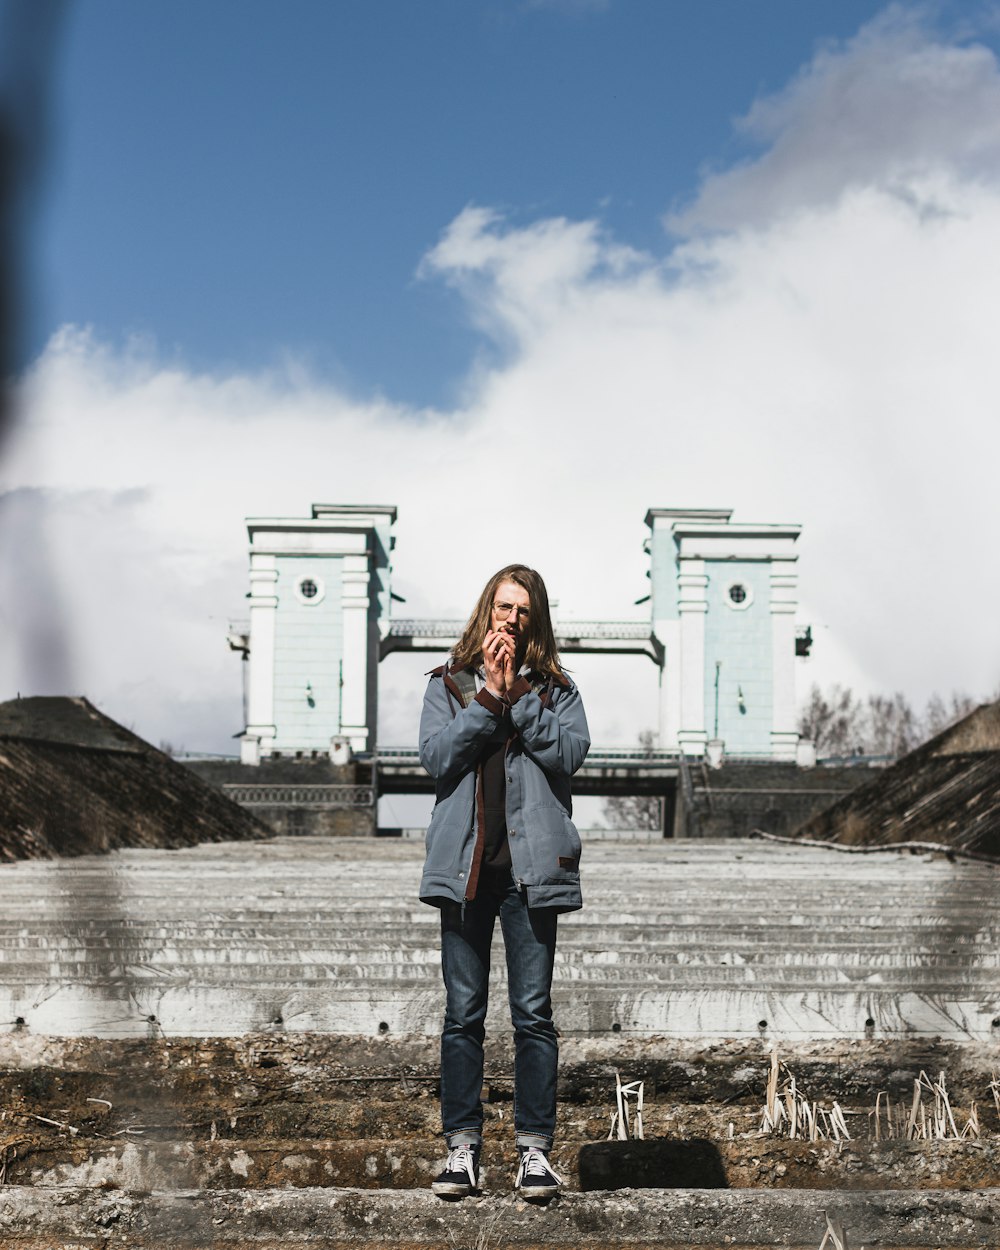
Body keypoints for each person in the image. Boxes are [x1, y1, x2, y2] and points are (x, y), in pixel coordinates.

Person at [418, 564, 590, 1201]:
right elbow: (436, 757)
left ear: (534, 620)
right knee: (463, 1015)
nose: (510, 619)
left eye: (522, 611)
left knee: (533, 1016)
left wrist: (517, 692)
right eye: (502, 607)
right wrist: (487, 696)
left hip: (530, 876)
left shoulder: (557, 692)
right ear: (485, 611)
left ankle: (534, 1154)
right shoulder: (449, 685)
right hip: (466, 873)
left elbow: (570, 754)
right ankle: (461, 1151)